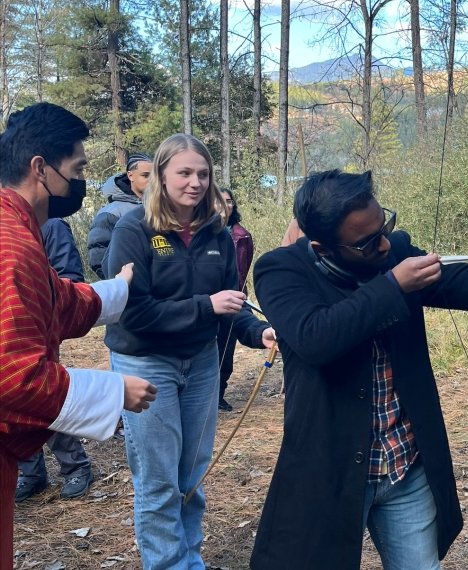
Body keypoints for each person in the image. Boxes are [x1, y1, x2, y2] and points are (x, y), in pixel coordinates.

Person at [249, 169, 468, 569]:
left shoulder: (393, 251)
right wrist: (393, 286)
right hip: (330, 468)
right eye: (367, 242)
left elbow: (464, 283)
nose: (384, 244)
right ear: (323, 246)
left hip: (404, 464)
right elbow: (315, 338)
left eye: (385, 226)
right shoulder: (281, 271)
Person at [104, 133, 276, 569]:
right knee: (159, 481)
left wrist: (258, 332)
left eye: (203, 173)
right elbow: (130, 313)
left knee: (192, 477)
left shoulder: (217, 232)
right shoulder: (132, 230)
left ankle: (189, 559)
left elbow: (230, 303)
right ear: (161, 175)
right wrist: (206, 306)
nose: (195, 182)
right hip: (145, 363)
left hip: (200, 364)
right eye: (184, 173)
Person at [0, 102, 157, 568]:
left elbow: (57, 301)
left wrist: (118, 289)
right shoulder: (12, 247)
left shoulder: (21, 232)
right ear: (39, 168)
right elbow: (11, 375)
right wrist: (113, 391)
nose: (81, 182)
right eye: (77, 168)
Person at [15, 219, 95, 502]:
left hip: (37, 329)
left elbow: (70, 276)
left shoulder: (49, 224)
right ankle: (31, 472)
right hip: (6, 330)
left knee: (46, 395)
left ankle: (75, 466)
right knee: (13, 401)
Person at [216, 187, 254, 411]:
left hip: (234, 300)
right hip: (210, 300)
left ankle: (219, 393)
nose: (226, 205)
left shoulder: (242, 235)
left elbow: (245, 266)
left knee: (226, 347)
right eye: (221, 201)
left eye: (230, 201)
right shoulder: (201, 233)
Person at [87, 152, 153, 279]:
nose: (151, 181)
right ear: (130, 175)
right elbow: (97, 256)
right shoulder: (111, 213)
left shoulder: (160, 208)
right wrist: (120, 286)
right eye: (145, 175)